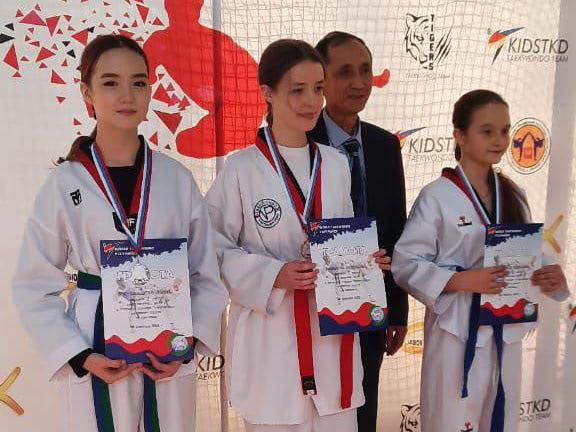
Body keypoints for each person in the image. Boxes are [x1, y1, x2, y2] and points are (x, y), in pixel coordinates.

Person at [12, 34, 228, 432]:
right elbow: (32, 285)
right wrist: (79, 355)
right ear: (87, 93)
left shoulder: (176, 179)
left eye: (138, 82)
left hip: (166, 344)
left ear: (150, 91)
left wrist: (186, 347)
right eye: (110, 82)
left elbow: (206, 276)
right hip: (95, 343)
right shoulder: (65, 183)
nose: (127, 95)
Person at [206, 39, 390, 432]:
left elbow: (344, 239)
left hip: (332, 337)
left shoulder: (336, 165)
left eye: (318, 88)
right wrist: (274, 274)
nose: (311, 101)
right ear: (267, 93)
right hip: (273, 341)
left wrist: (365, 263)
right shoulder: (241, 169)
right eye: (297, 90)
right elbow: (211, 250)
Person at [392, 89, 569, 432]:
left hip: (505, 332)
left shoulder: (514, 194)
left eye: (504, 131)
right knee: (451, 421)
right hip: (456, 335)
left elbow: (523, 252)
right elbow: (406, 263)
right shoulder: (436, 196)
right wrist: (460, 280)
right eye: (487, 131)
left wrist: (551, 276)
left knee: (500, 419)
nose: (499, 140)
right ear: (459, 135)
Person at [309, 31, 408, 432]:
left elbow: (396, 228)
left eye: (365, 70)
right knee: (316, 412)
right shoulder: (299, 141)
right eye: (345, 72)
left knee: (363, 408)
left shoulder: (385, 146)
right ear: (322, 79)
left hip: (371, 304)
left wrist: (397, 309)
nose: (359, 82)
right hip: (314, 305)